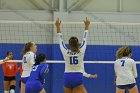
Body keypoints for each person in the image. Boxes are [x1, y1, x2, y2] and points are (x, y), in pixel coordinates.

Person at [55, 17, 97, 93]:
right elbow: (85, 38)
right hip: (77, 77)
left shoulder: (65, 51)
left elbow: (60, 39)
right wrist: (87, 26)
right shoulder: (81, 51)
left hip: (67, 77)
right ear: (77, 44)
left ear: (69, 44)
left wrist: (57, 26)